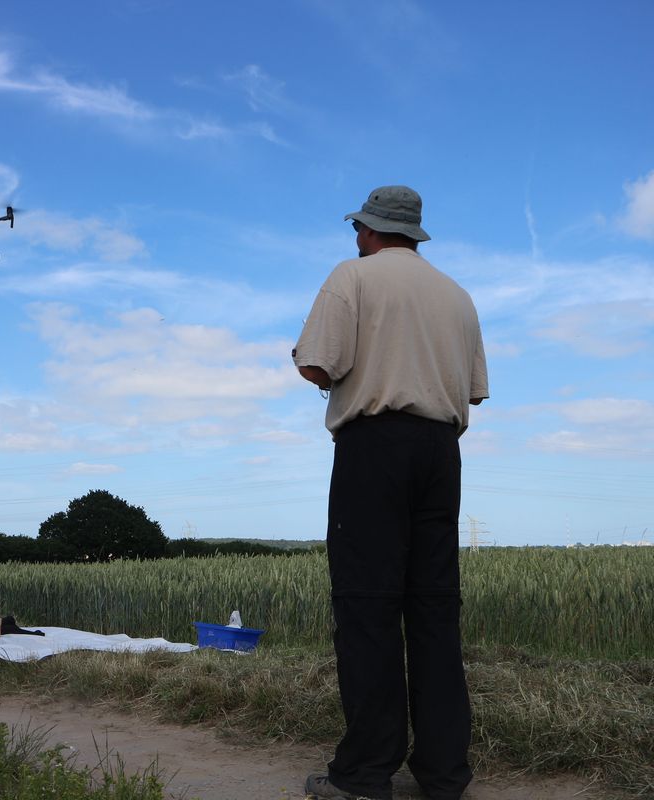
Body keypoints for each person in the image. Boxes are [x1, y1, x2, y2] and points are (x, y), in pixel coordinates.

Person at [292, 186, 489, 800]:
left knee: (368, 609)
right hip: (440, 453)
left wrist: (310, 360)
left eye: (359, 228)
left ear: (371, 230)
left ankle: (364, 775)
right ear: (415, 233)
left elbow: (319, 365)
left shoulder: (353, 276)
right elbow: (474, 390)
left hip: (374, 448)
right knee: (433, 612)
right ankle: (444, 774)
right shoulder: (457, 296)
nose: (356, 238)